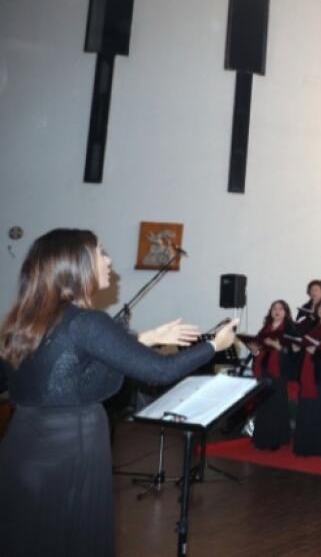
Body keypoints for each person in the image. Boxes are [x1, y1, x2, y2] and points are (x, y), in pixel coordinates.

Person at [0, 228, 239, 557]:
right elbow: (160, 371)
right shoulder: (86, 322)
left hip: (23, 444)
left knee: (30, 537)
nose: (109, 260)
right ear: (75, 263)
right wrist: (213, 345)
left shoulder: (24, 320)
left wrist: (145, 338)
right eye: (100, 252)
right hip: (72, 449)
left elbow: (75, 361)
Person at [249, 300, 298, 451]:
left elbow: (295, 354)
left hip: (279, 372)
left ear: (286, 312)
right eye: (274, 308)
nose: (277, 311)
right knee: (263, 406)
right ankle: (261, 439)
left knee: (277, 406)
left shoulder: (290, 330)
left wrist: (278, 347)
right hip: (264, 371)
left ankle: (275, 440)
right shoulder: (264, 330)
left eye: (281, 308)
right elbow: (259, 352)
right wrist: (255, 352)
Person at [293, 297, 321, 456]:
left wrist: (317, 351)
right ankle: (304, 444)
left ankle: (317, 446)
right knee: (306, 405)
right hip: (307, 368)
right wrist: (297, 348)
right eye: (320, 306)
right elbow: (304, 343)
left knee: (318, 406)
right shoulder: (311, 325)